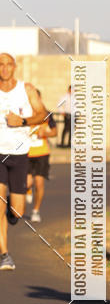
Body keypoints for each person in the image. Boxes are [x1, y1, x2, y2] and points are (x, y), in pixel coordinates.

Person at [0, 53, 47, 269]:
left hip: (19, 155)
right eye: (1, 65)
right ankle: (4, 255)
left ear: (14, 67)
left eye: (8, 64)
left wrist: (23, 121)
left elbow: (43, 115)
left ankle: (11, 211)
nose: (4, 68)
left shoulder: (26, 90)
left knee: (16, 211)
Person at [26, 89, 57, 222]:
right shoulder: (25, 114)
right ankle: (27, 190)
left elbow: (55, 132)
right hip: (26, 153)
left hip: (42, 153)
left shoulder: (47, 114)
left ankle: (36, 211)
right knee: (27, 183)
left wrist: (45, 133)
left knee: (39, 183)